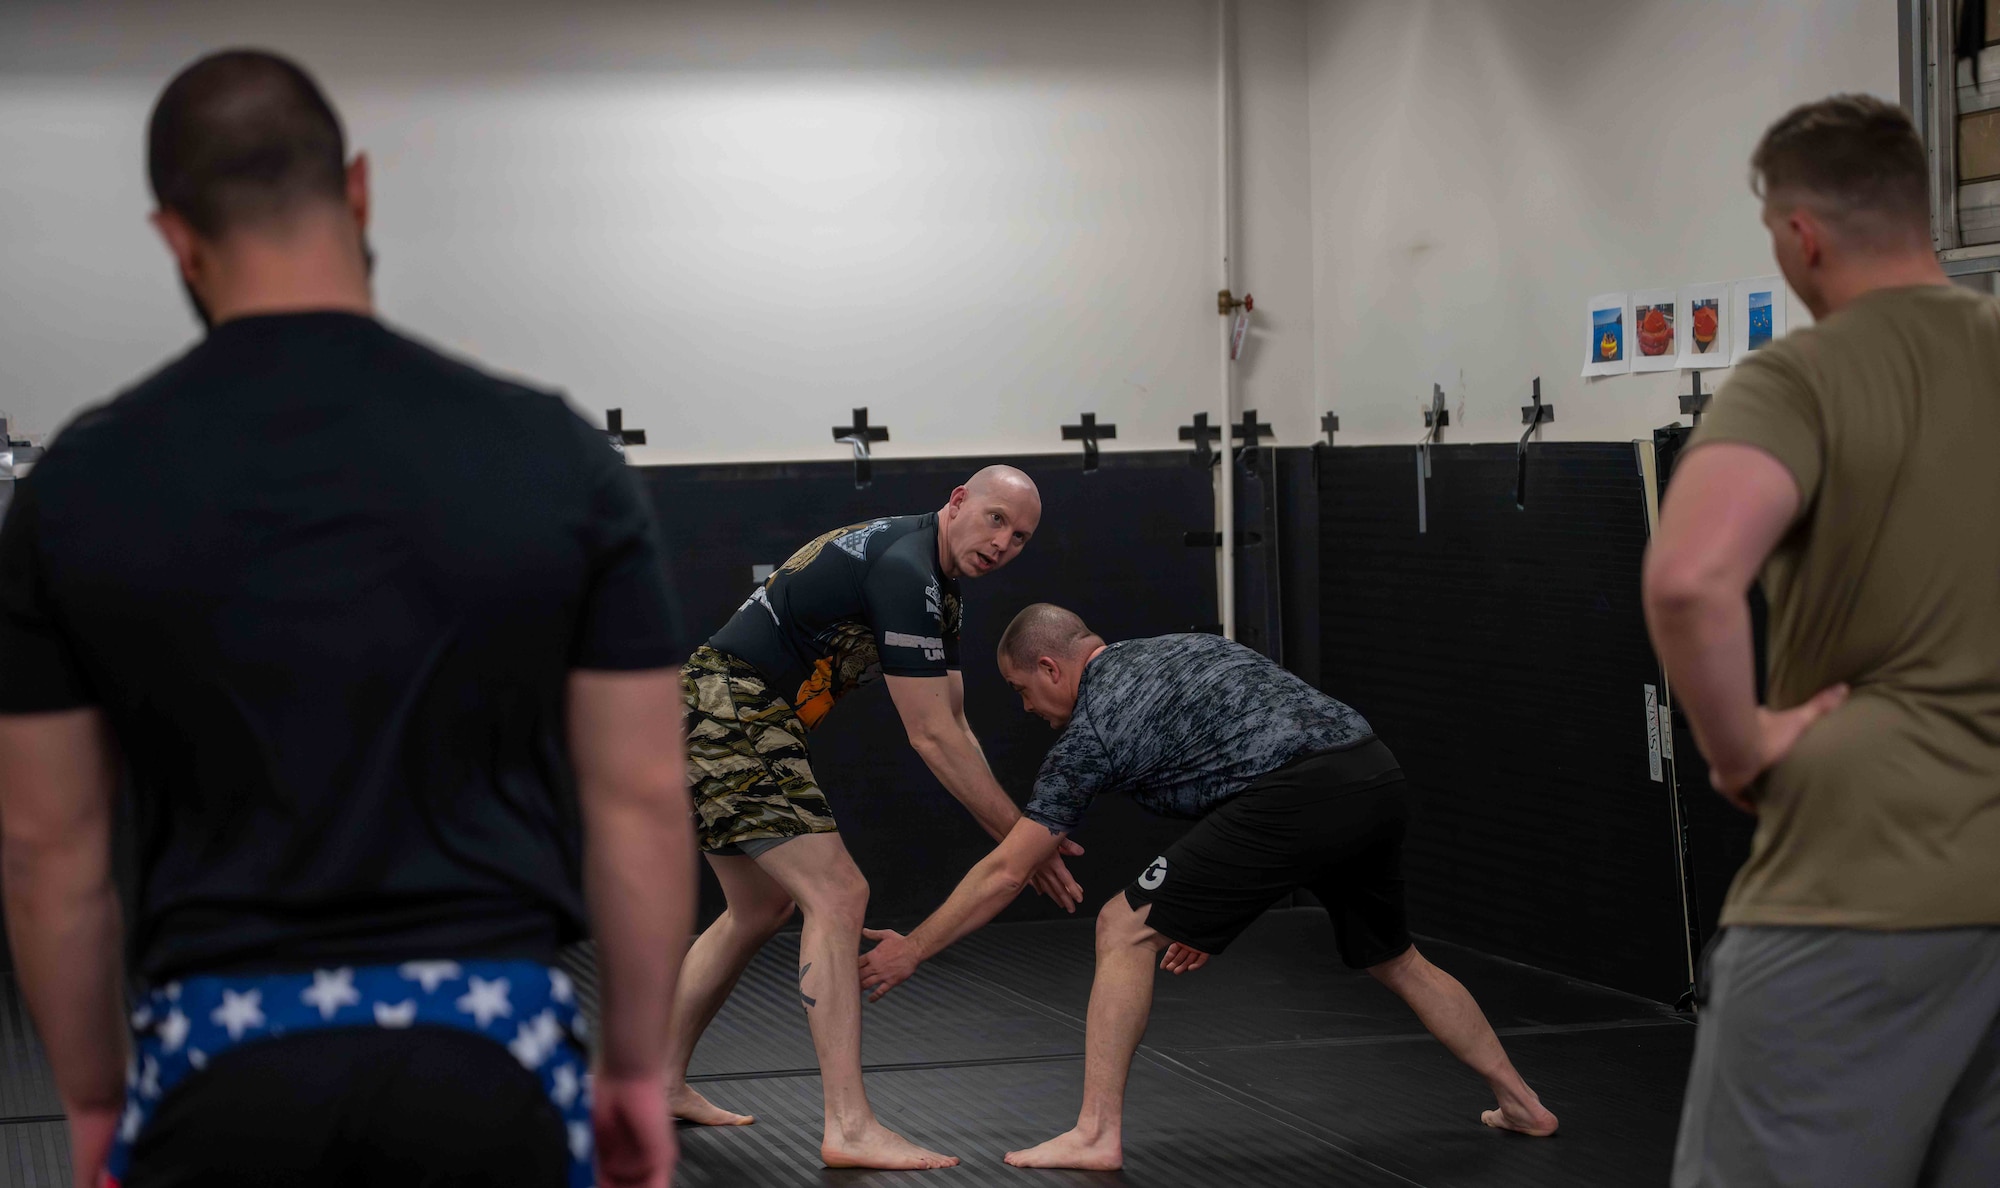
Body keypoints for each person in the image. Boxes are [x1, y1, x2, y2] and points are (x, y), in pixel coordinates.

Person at [0, 51, 695, 1188]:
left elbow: (47, 850)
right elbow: (641, 800)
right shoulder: (553, 454)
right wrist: (628, 1072)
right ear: (359, 188)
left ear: (175, 234)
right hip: (494, 1058)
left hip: (218, 1063)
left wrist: (91, 1099)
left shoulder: (79, 484)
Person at [857, 605, 1558, 1170]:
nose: (1027, 708)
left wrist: (913, 949)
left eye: (1021, 690)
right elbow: (1252, 777)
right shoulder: (1187, 648)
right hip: (1370, 768)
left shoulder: (1092, 729)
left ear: (1050, 665)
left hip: (1297, 792)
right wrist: (1212, 910)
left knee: (1120, 925)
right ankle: (1522, 1102)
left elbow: (1007, 869)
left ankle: (1095, 1133)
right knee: (1395, 956)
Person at [1644, 94, 2000, 1188]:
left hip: (1859, 884)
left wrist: (1739, 748)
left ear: (1798, 234)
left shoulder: (1800, 374)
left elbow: (1690, 578)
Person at [666, 467, 1080, 1170]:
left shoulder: (938, 590)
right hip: (727, 707)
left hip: (726, 711)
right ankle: (849, 1126)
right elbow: (929, 738)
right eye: (995, 519)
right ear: (957, 503)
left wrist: (1022, 837)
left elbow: (954, 721)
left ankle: (653, 1082)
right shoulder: (905, 568)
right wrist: (1022, 841)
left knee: (759, 906)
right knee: (838, 894)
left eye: (1020, 536)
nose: (1004, 542)